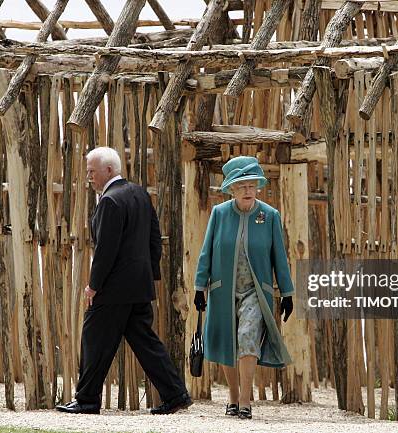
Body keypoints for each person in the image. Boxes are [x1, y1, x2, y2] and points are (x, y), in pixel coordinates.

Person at [56, 147, 191, 415]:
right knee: (146, 342)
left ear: (109, 170)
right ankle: (176, 395)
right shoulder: (140, 193)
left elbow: (106, 250)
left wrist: (93, 285)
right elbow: (155, 237)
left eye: (92, 171)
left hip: (114, 288)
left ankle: (86, 400)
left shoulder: (110, 201)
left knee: (94, 338)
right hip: (138, 286)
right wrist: (149, 274)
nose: (89, 177)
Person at [193, 156, 294, 420]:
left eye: (251, 185)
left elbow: (279, 257)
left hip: (255, 292)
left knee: (248, 337)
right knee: (228, 341)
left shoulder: (269, 216)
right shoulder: (220, 213)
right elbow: (206, 253)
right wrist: (199, 287)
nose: (248, 191)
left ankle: (246, 402)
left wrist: (287, 293)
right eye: (242, 186)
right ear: (232, 189)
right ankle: (233, 398)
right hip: (222, 290)